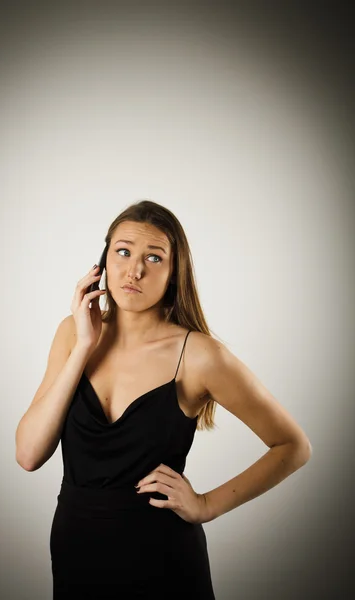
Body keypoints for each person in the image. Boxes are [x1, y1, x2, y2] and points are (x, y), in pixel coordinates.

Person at [15, 200, 312, 599]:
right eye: (123, 252)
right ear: (103, 261)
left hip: (163, 560)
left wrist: (206, 505)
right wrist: (84, 346)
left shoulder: (199, 355)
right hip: (75, 552)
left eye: (154, 258)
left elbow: (293, 446)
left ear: (174, 274)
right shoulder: (73, 333)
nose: (134, 270)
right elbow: (29, 455)